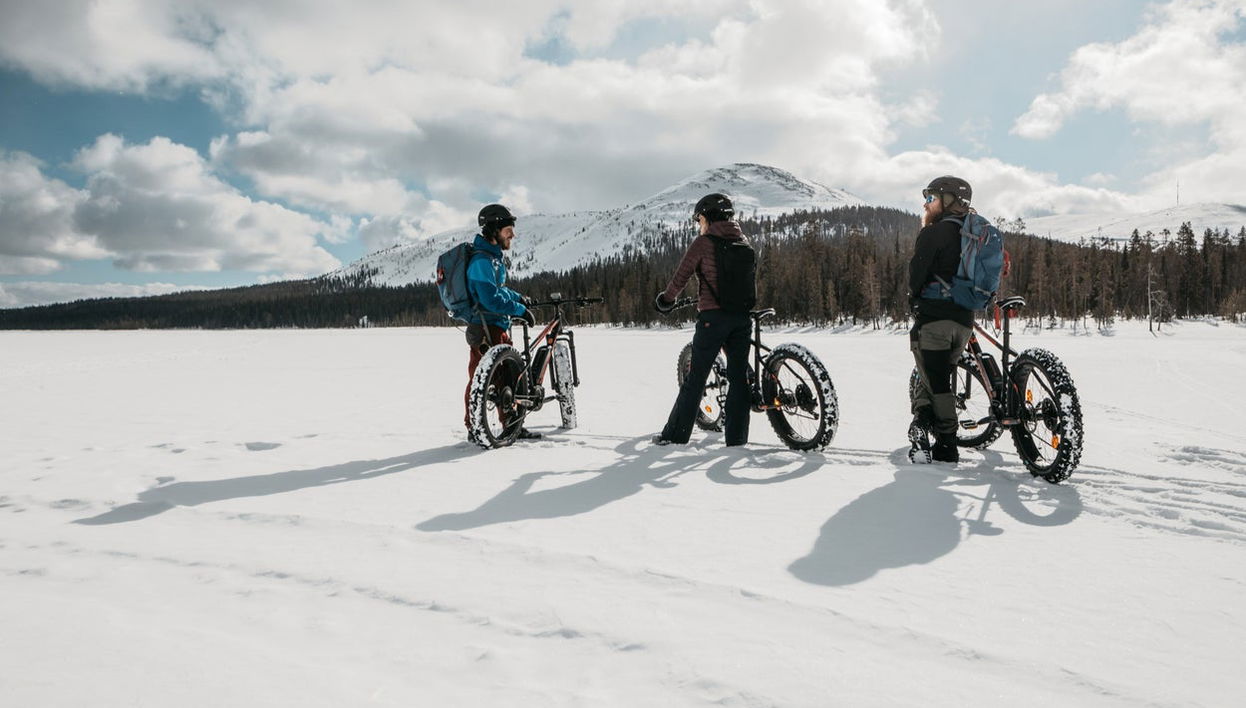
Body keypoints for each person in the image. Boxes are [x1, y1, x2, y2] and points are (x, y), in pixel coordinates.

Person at [652, 193, 753, 447]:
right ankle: (737, 440)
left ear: (707, 217)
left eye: (700, 219)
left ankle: (675, 436)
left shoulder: (704, 243)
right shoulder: (743, 241)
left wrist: (666, 300)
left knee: (696, 379)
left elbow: (681, 277)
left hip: (713, 320)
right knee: (738, 379)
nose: (700, 225)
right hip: (741, 318)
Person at [908, 176, 975, 463]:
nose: (926, 204)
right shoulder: (973, 233)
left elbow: (916, 275)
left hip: (935, 319)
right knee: (934, 373)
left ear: (948, 200)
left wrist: (913, 300)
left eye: (931, 198)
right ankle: (922, 422)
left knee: (937, 383)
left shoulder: (933, 233)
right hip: (964, 321)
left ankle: (946, 444)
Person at [464, 203, 539, 439]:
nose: (512, 235)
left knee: (506, 377)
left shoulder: (491, 259)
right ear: (494, 230)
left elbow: (499, 290)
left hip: (496, 326)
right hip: (485, 328)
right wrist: (519, 310)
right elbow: (490, 298)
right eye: (508, 229)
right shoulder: (481, 262)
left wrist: (519, 299)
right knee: (482, 379)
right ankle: (475, 429)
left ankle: (512, 424)